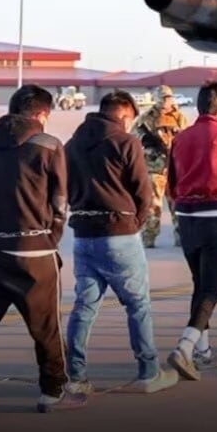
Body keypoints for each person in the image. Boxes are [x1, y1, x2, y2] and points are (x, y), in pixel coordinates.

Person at [0, 86, 85, 418]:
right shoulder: (49, 146)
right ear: (41, 114)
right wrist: (50, 238)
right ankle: (53, 391)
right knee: (46, 326)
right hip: (34, 250)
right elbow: (60, 201)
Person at [63, 90, 179, 395]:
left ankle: (75, 376)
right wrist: (134, 224)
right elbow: (143, 192)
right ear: (124, 114)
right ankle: (148, 371)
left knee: (84, 307)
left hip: (83, 235)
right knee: (137, 304)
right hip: (119, 234)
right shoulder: (126, 142)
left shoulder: (71, 145)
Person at [166, 81, 217, 379]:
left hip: (186, 216)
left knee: (200, 283)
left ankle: (204, 351)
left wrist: (180, 207)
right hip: (216, 214)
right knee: (212, 288)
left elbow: (170, 181)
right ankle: (184, 347)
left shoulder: (180, 137)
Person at [133, 84, 188, 248]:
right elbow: (134, 137)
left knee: (177, 205)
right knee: (153, 207)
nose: (166, 101)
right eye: (163, 97)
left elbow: (187, 137)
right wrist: (147, 142)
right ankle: (149, 238)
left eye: (168, 97)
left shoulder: (179, 117)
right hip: (154, 167)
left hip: (175, 168)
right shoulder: (147, 117)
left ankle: (181, 237)